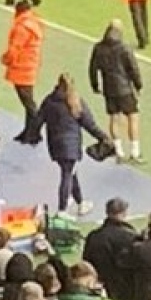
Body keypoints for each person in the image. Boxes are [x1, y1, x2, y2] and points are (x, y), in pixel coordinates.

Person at [38, 73, 112, 217]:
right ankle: (62, 209)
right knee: (67, 174)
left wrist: (33, 135)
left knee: (71, 172)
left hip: (55, 144)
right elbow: (89, 124)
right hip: (71, 145)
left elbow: (38, 119)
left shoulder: (49, 100)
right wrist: (104, 138)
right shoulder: (75, 101)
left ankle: (80, 202)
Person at [89, 21, 144, 164]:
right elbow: (133, 68)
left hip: (109, 89)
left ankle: (119, 150)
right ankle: (135, 151)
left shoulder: (99, 48)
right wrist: (138, 85)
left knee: (114, 118)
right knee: (133, 117)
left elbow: (92, 68)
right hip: (125, 89)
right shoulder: (124, 48)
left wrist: (95, 85)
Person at [4, 0, 46, 144]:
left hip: (21, 68)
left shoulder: (22, 27)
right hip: (29, 66)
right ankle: (29, 132)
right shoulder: (33, 23)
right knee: (28, 102)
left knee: (28, 103)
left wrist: (6, 59)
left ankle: (34, 133)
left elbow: (15, 48)